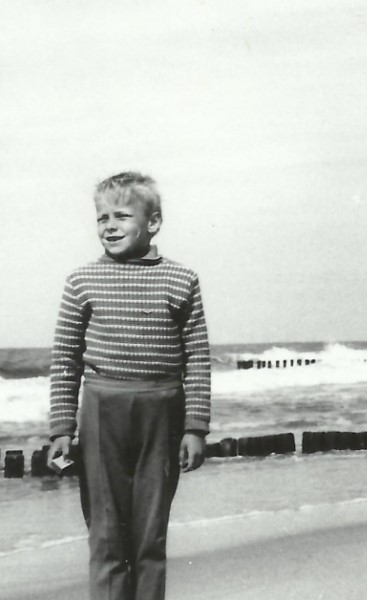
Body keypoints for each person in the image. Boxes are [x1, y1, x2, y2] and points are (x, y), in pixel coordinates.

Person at [47, 171, 211, 600]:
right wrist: (62, 428)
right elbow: (64, 360)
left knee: (149, 537)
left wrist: (196, 427)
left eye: (122, 215)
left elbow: (197, 357)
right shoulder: (81, 281)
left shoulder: (182, 279)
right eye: (102, 218)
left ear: (153, 222)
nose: (110, 226)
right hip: (103, 409)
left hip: (163, 411)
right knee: (106, 535)